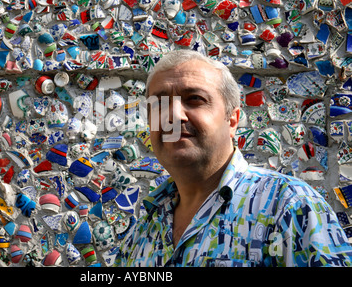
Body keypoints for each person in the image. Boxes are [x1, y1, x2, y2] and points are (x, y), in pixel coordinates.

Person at [114, 50, 352, 267]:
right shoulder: (142, 229)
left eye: (194, 99)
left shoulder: (289, 206)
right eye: (160, 104)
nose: (173, 116)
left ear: (233, 120)